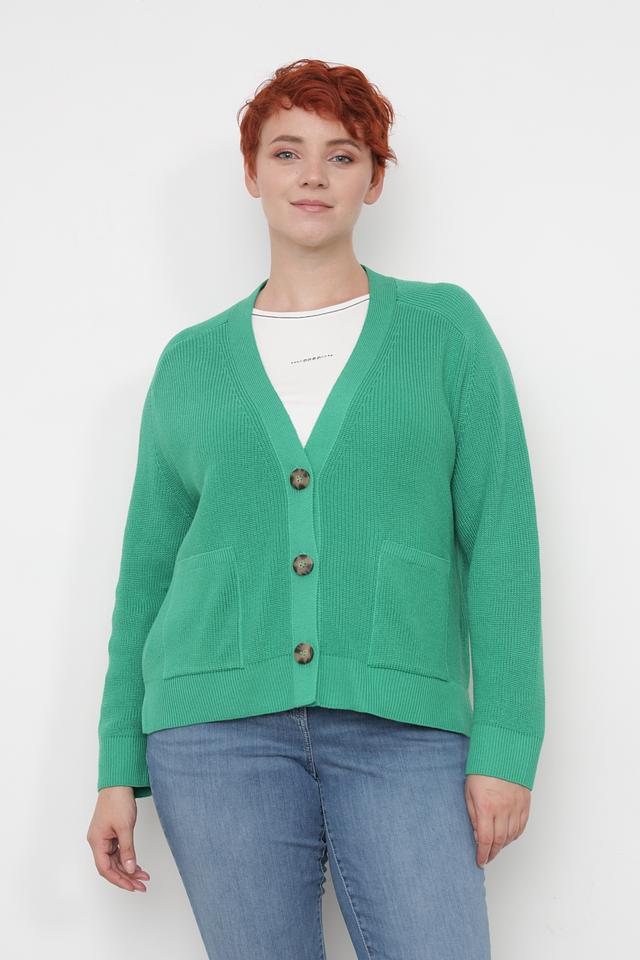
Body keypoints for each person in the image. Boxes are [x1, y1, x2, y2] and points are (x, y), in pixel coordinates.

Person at [87, 58, 545, 959]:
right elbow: (147, 571)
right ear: (251, 173)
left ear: (374, 180)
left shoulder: (445, 331)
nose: (313, 175)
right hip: (213, 735)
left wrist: (505, 743)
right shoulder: (190, 361)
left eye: (342, 155)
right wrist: (115, 765)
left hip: (404, 730)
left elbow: (503, 539)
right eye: (287, 151)